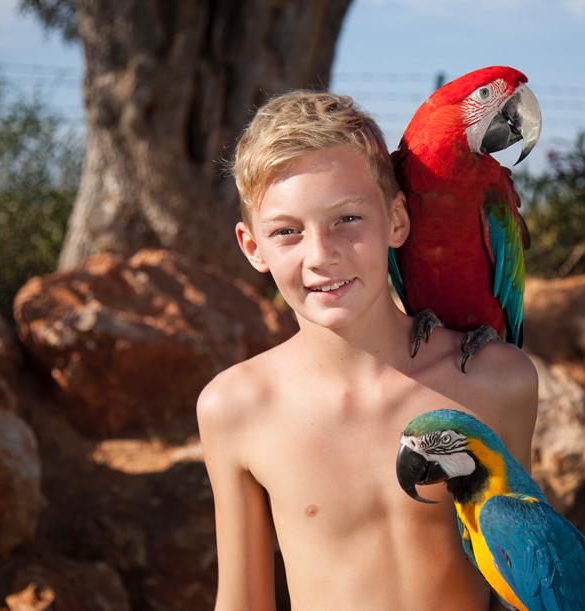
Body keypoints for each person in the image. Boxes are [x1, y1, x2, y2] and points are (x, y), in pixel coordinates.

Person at [196, 90, 538, 611]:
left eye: (348, 220)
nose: (321, 255)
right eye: (286, 231)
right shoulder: (235, 408)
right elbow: (242, 602)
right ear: (252, 247)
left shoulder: (498, 383)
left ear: (397, 221)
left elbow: (526, 586)